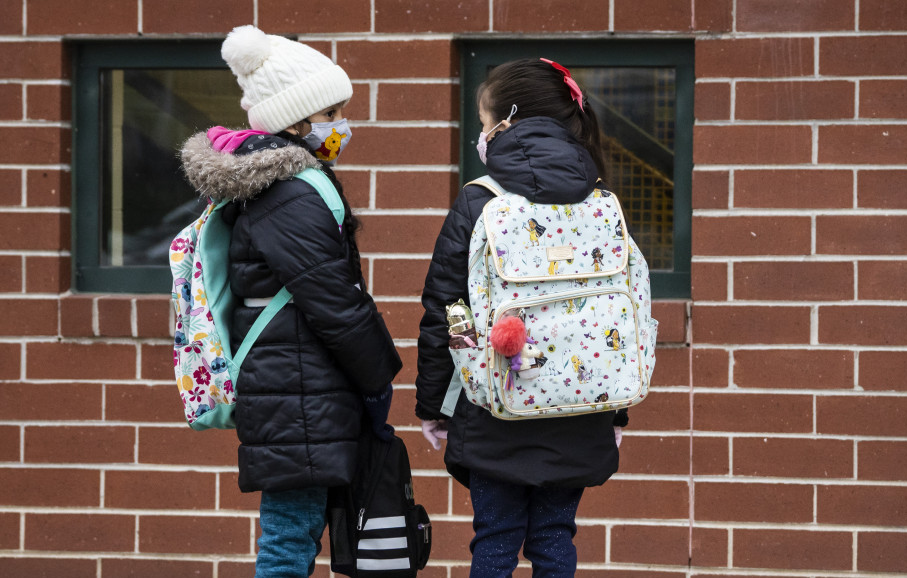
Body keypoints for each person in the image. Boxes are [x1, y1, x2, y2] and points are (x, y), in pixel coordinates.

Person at [180, 25, 401, 577]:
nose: (341, 126)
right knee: (289, 537)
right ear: (295, 120)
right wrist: (379, 377)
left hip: (294, 380)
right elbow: (334, 300)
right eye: (331, 114)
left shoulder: (280, 183)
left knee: (295, 531)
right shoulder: (292, 191)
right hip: (296, 386)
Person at [414, 58, 629, 578]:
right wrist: (617, 413)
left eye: (485, 124)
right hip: (583, 407)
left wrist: (432, 405)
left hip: (495, 407)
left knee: (495, 540)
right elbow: (622, 314)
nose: (481, 135)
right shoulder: (602, 201)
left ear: (506, 126)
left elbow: (447, 309)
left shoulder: (479, 200)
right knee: (555, 540)